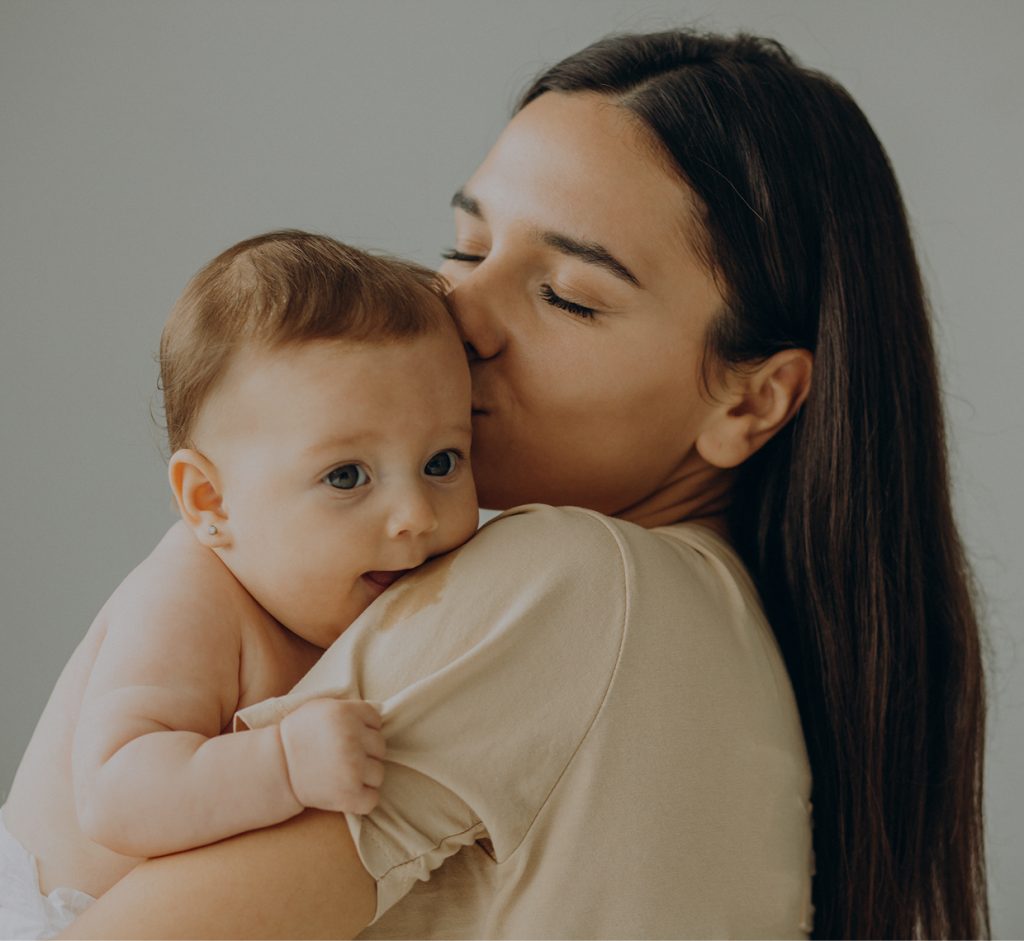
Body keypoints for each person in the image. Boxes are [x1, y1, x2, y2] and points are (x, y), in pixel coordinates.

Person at [61, 28, 989, 941]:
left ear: (752, 400)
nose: (457, 316)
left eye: (569, 295)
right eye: (466, 249)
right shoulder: (719, 631)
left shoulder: (578, 584)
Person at [1, 231, 479, 940]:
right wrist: (281, 762)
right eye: (347, 476)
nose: (415, 516)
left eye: (442, 461)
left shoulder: (371, 589)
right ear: (209, 503)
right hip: (56, 916)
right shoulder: (189, 596)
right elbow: (116, 793)